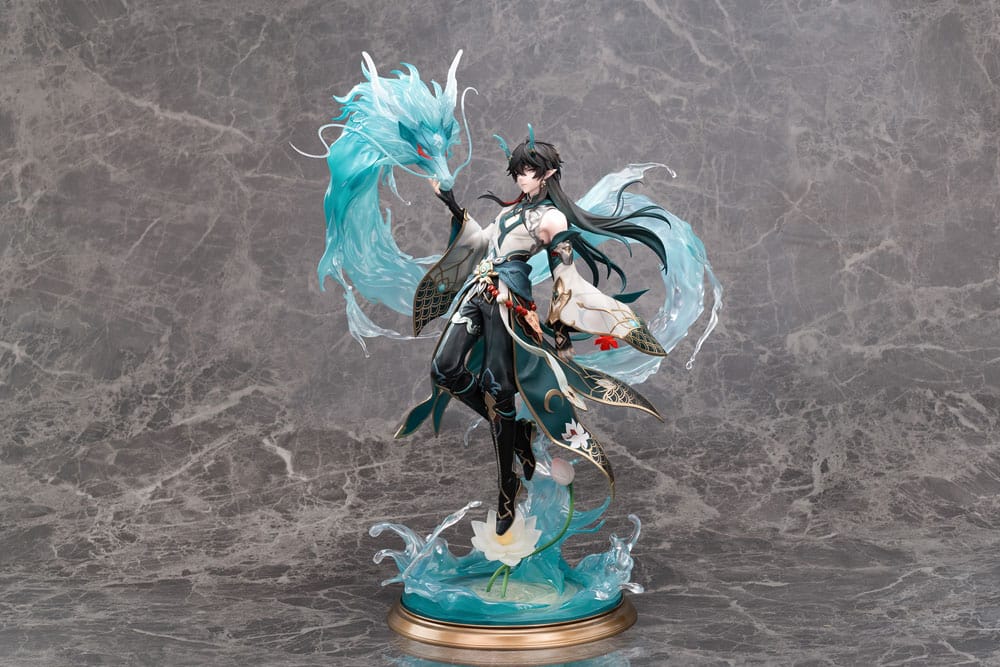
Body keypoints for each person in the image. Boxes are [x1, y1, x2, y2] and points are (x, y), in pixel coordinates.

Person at [395, 131, 672, 535]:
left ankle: (507, 486)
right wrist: (451, 202)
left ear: (549, 173)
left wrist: (561, 332)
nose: (520, 178)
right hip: (478, 291)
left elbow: (565, 277)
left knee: (498, 390)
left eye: (527, 171)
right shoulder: (512, 211)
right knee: (444, 369)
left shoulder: (552, 219)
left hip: (508, 301)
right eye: (518, 171)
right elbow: (483, 241)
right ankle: (519, 437)